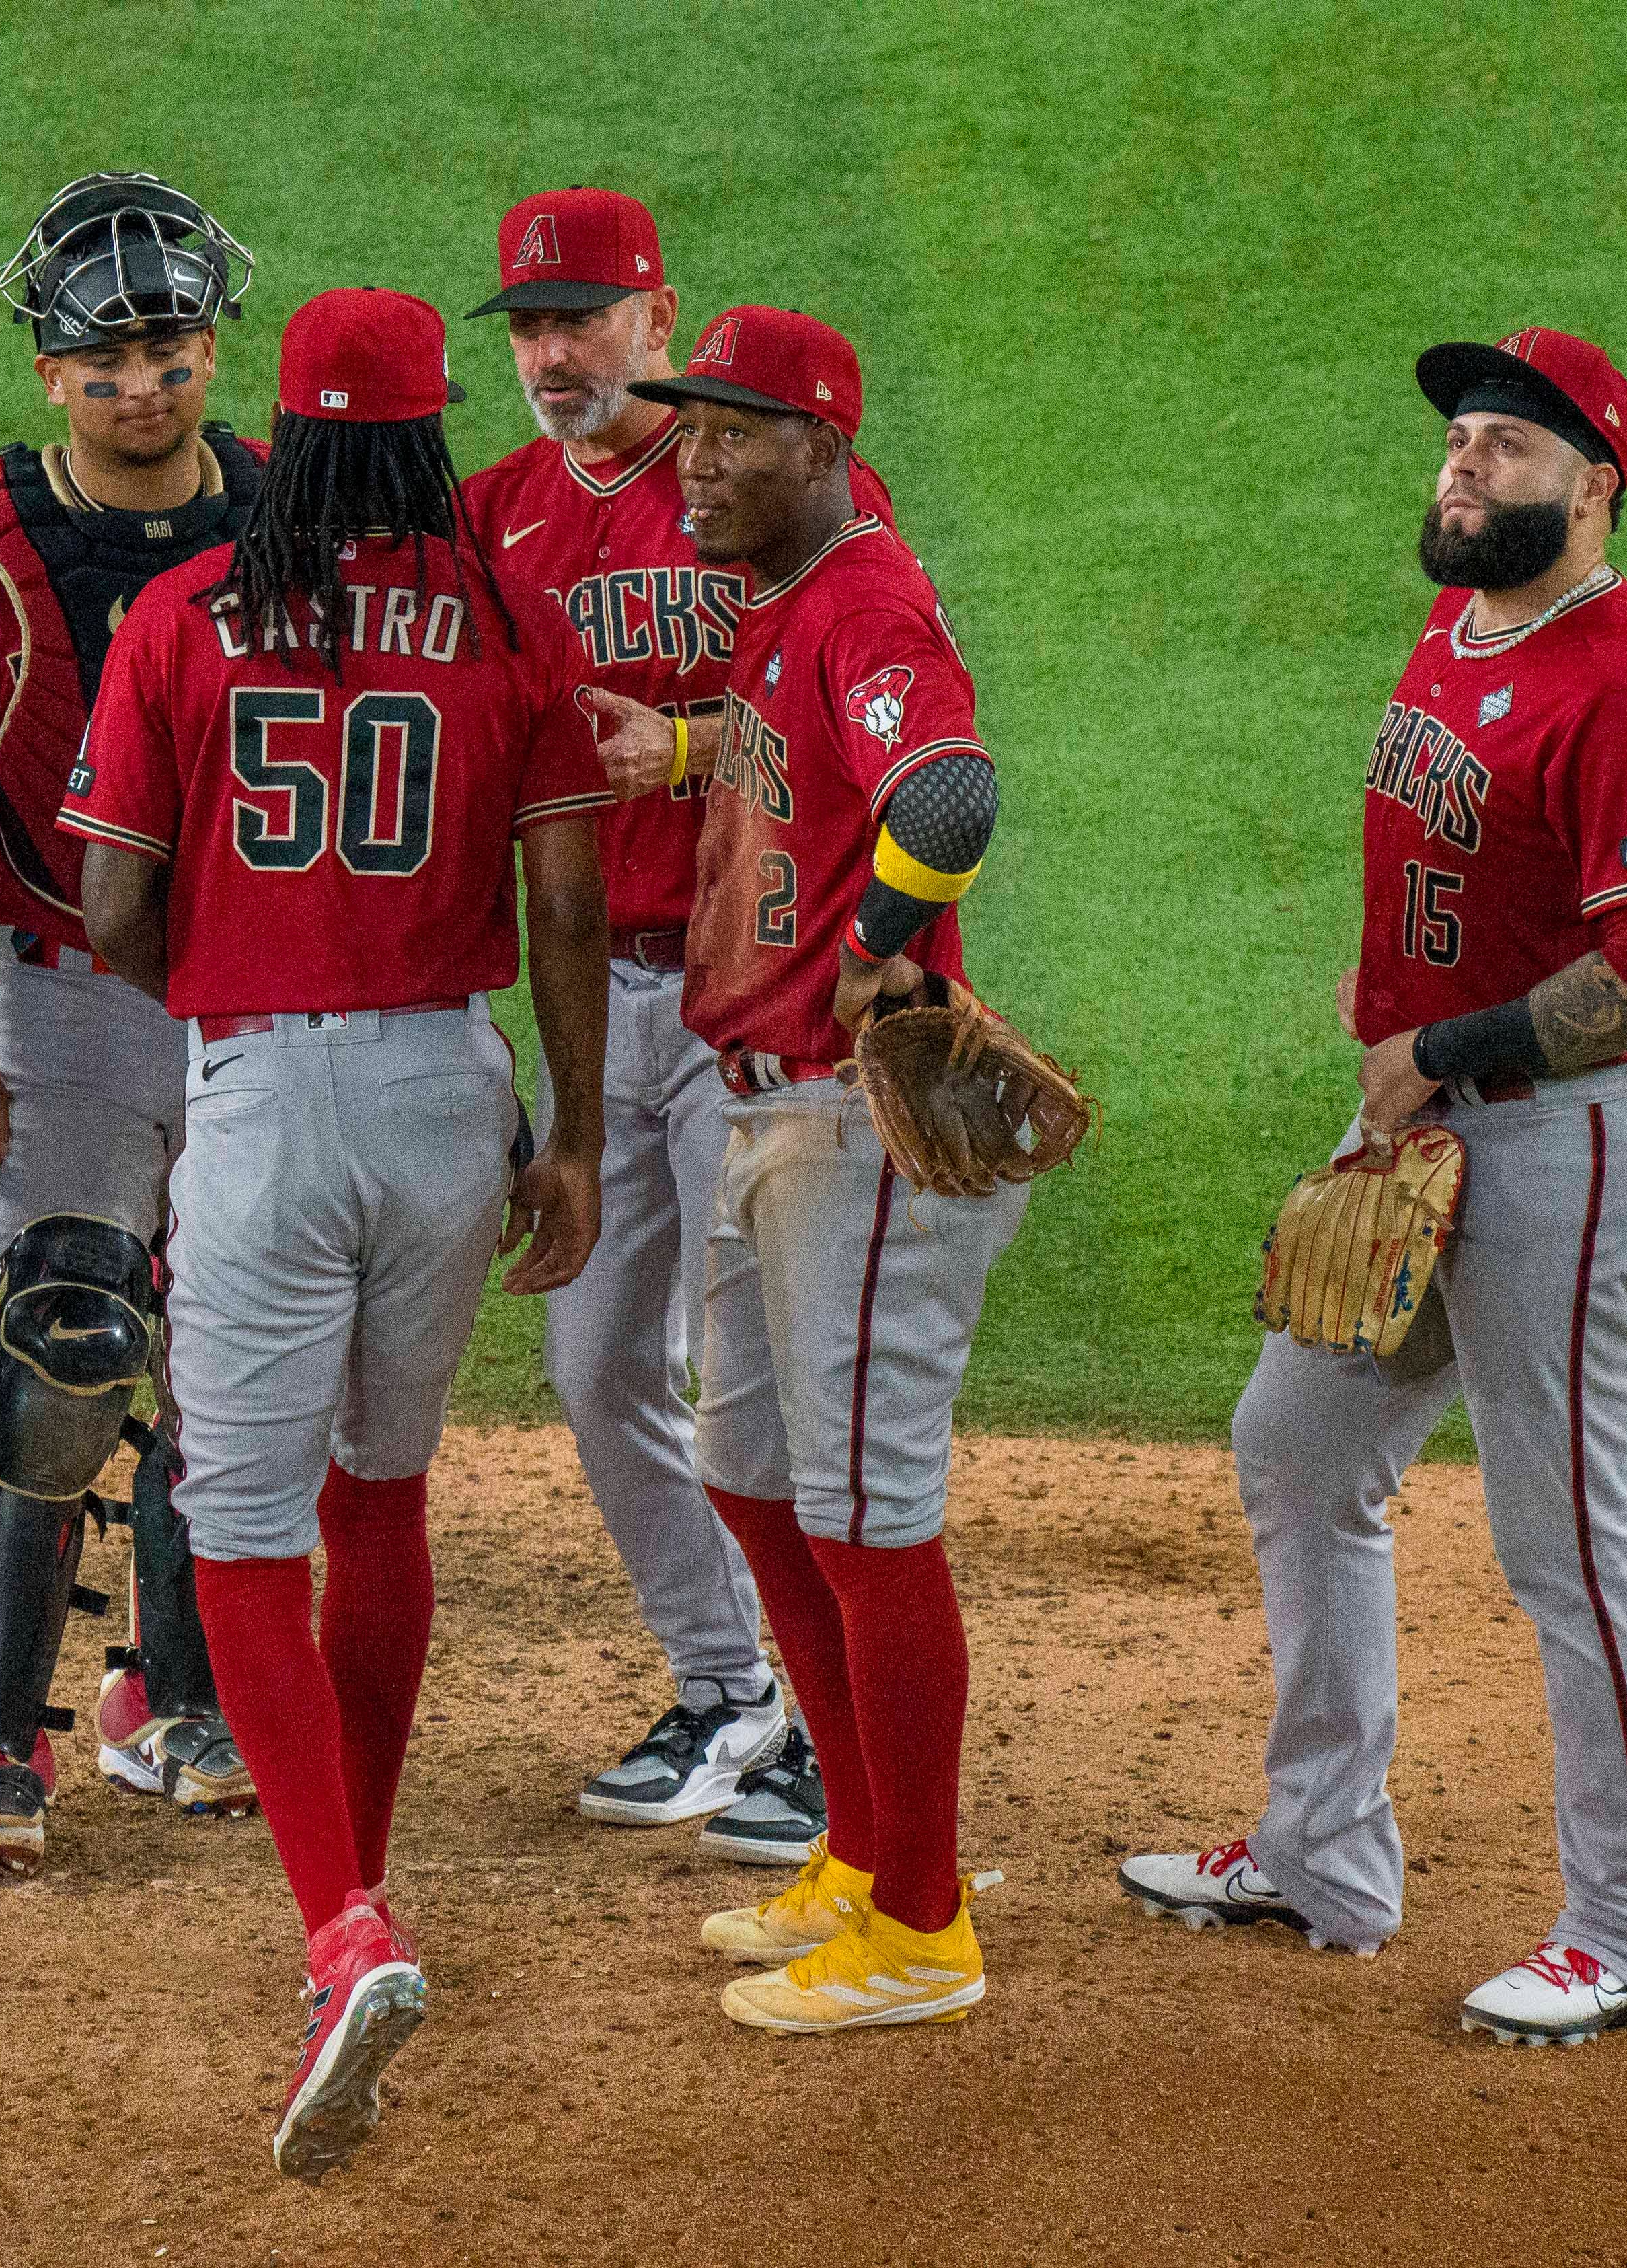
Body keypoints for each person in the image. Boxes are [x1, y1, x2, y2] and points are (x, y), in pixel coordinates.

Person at [62, 286, 613, 2177]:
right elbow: (560, 901)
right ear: (430, 428)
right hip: (448, 1094)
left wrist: (219, 958)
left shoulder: (177, 611)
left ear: (286, 435)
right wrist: (577, 1138)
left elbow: (111, 900)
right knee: (384, 1491)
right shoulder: (506, 617)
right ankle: (349, 1881)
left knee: (235, 1525)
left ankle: (343, 1927)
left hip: (266, 1093)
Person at [1118, 328, 1627, 2049]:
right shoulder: (1464, 624)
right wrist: (1389, 1011)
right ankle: (1321, 1854)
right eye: (1458, 440)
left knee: (1562, 1546)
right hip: (1438, 1118)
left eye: (1509, 451)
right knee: (1296, 1444)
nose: (1464, 469)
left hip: (1570, 1139)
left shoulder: (1621, 686)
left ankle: (1625, 1934)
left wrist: (1437, 1040)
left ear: (1591, 489)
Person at [585, 309, 1024, 2034]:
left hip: (851, 1120)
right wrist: (692, 753)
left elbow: (951, 785)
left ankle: (922, 1925)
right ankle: (857, 1851)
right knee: (756, 1475)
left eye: (734, 435)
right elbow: (817, 765)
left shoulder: (860, 594)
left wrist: (879, 941)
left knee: (865, 1513)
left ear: (824, 447)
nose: (694, 460)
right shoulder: (783, 607)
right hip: (757, 1104)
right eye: (687, 430)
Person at [458, 186, 892, 1865]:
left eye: (581, 319)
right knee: (593, 1366)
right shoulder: (489, 516)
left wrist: (697, 750)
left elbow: (858, 706)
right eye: (525, 326)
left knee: (762, 1393)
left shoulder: (761, 496)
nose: (552, 354)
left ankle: (825, 1725)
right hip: (591, 997)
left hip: (749, 1004)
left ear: (655, 317)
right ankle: (731, 1689)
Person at [0, 172, 268, 1874]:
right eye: (101, 354)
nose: (139, 380)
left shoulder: (288, 504)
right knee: (70, 1338)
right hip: (68, 996)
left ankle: (172, 1700)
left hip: (257, 992)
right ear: (46, 368)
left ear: (211, 342)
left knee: (238, 1351)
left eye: (167, 343)